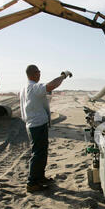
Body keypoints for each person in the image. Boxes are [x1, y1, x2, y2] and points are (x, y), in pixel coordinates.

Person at [20, 65, 72, 193]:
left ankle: (40, 178)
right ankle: (32, 183)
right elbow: (51, 86)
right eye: (38, 72)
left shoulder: (24, 88)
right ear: (33, 74)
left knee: (41, 153)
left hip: (33, 124)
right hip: (37, 125)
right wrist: (63, 75)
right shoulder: (34, 87)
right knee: (38, 154)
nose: (40, 74)